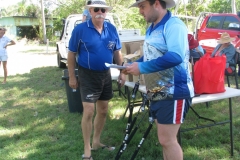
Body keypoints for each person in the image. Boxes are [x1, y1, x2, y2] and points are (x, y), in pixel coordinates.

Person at [123, 0, 194, 159]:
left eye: (142, 6)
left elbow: (176, 56)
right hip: (156, 91)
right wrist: (134, 64)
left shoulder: (174, 25)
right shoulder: (152, 28)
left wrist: (141, 68)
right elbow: (150, 56)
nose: (140, 11)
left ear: (156, 3)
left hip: (174, 91)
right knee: (164, 140)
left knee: (168, 140)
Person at [67, 0, 125, 159]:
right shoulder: (80, 29)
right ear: (90, 12)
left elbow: (117, 53)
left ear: (106, 12)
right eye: (96, 9)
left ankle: (97, 142)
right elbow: (71, 54)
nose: (100, 12)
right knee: (89, 111)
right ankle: (87, 149)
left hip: (105, 74)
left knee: (104, 110)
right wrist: (72, 76)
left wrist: (122, 72)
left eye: (103, 10)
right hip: (87, 74)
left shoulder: (111, 29)